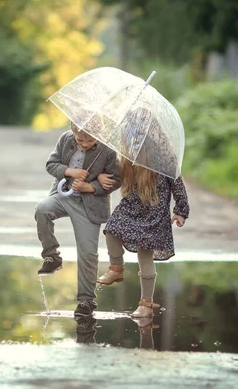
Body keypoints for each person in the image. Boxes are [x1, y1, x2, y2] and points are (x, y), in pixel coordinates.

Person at [96, 108, 190, 319]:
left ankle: (146, 303)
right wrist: (101, 177)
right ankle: (116, 267)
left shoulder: (164, 155)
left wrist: (181, 211)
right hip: (131, 205)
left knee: (144, 256)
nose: (133, 137)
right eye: (129, 133)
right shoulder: (127, 154)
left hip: (154, 212)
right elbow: (117, 179)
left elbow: (178, 184)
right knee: (111, 229)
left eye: (138, 132)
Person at [35, 120, 120, 318]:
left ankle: (86, 300)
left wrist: (91, 186)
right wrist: (70, 172)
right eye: (79, 139)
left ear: (98, 134)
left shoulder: (108, 150)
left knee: (88, 252)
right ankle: (51, 256)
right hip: (63, 196)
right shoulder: (66, 139)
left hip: (89, 205)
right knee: (42, 209)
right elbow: (51, 164)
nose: (83, 143)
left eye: (88, 140)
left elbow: (116, 179)